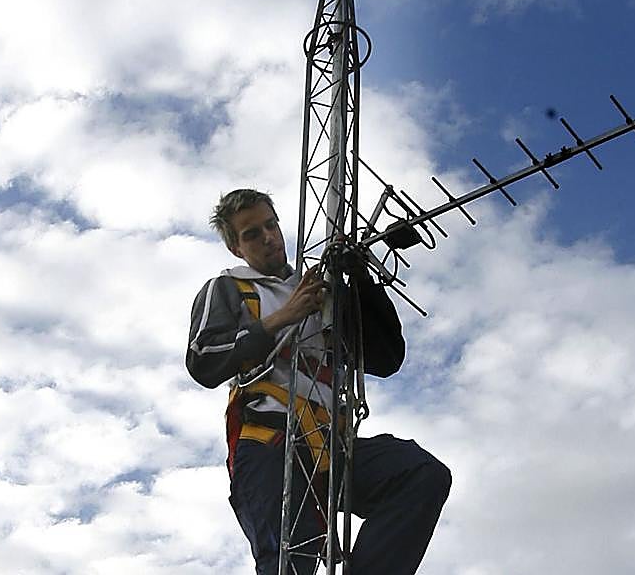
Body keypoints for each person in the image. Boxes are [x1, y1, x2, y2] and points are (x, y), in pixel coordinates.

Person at [187, 188, 450, 575]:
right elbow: (203, 360)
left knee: (418, 474)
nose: (268, 238)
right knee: (291, 561)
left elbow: (385, 358)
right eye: (252, 234)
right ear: (236, 248)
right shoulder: (229, 288)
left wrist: (358, 277)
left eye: (270, 225)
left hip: (331, 442)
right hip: (270, 443)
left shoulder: (320, 289)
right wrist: (283, 317)